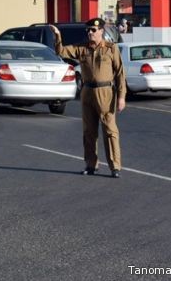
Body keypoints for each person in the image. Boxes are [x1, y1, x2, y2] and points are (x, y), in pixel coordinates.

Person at [50, 18, 126, 178]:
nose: (89, 33)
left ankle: (115, 166)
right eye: (88, 30)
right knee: (89, 131)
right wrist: (58, 36)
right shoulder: (81, 48)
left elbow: (119, 73)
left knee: (110, 130)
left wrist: (121, 97)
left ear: (101, 31)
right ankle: (91, 165)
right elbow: (61, 52)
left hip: (105, 91)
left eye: (93, 30)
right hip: (87, 91)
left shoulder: (111, 49)